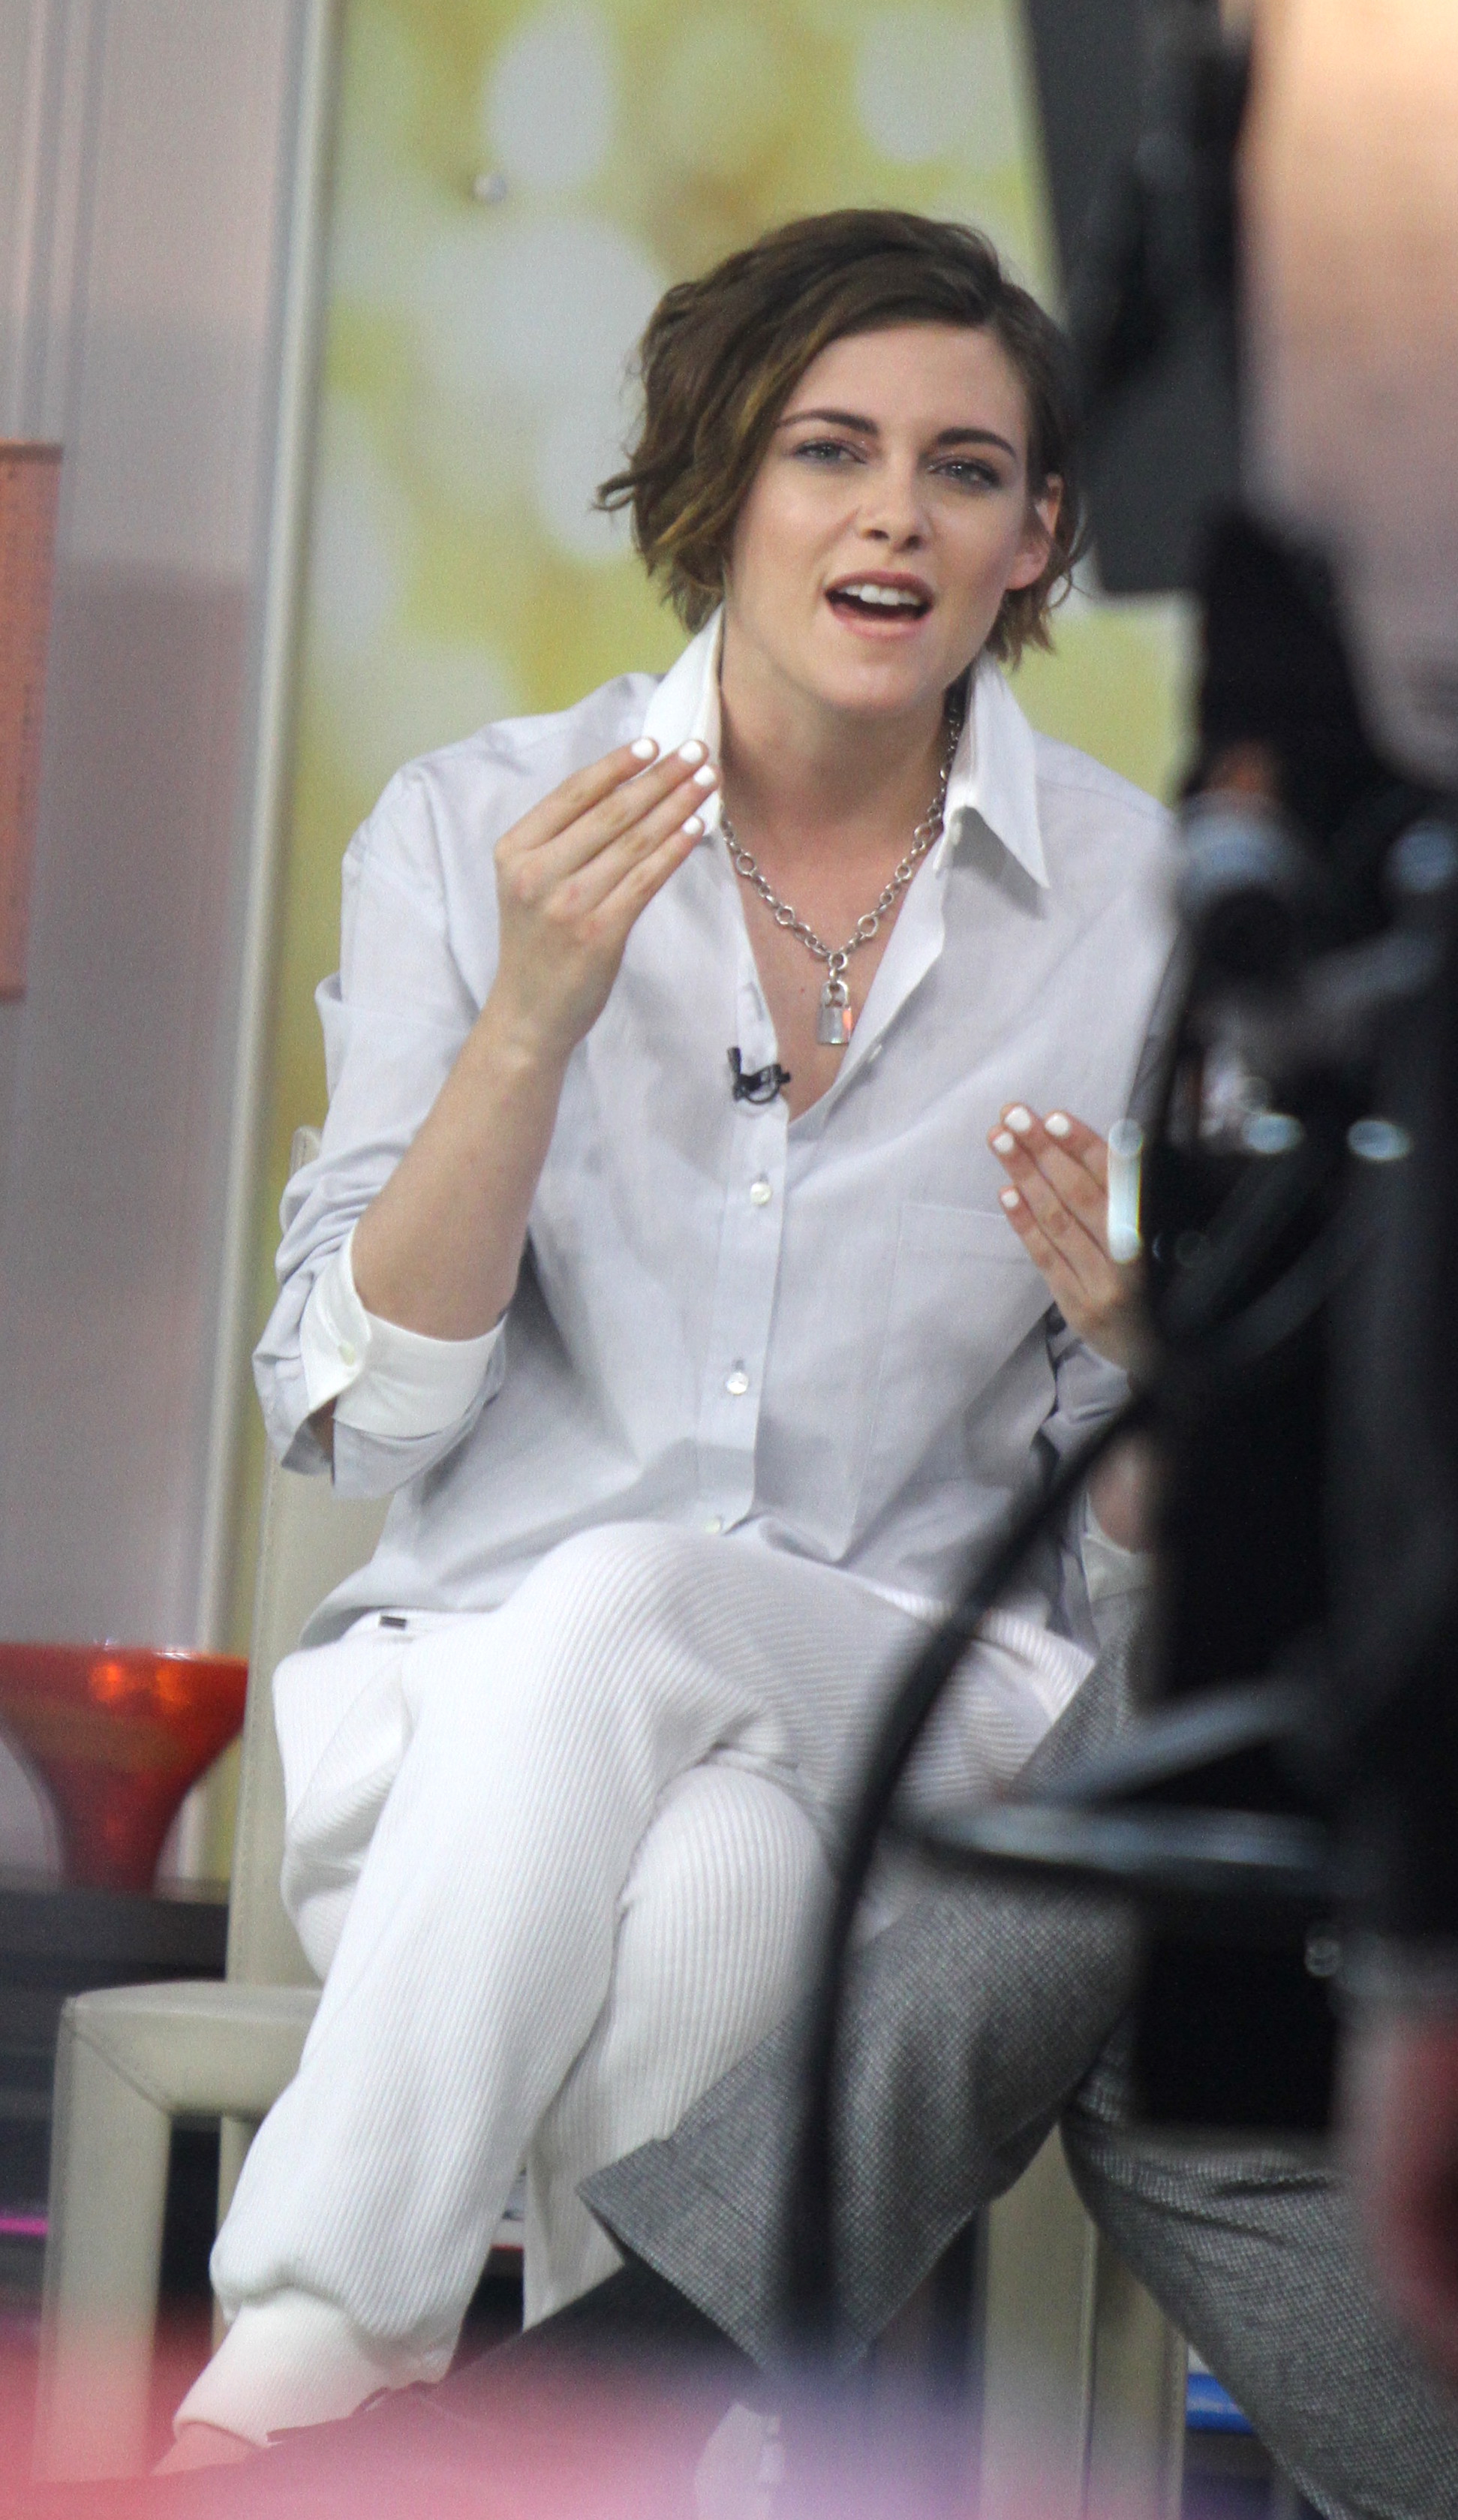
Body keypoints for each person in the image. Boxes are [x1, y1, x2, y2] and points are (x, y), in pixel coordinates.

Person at [164, 208, 1174, 2466]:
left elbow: (1150, 1572)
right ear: (721, 485)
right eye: (830, 449)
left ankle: (300, 2371)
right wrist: (531, 1021)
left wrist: (1158, 1349)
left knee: (642, 1602)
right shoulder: (474, 831)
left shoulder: (1147, 913)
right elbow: (354, 1411)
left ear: (1037, 538)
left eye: (965, 469)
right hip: (475, 1757)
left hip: (923, 1714)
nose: (896, 515)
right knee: (716, 1871)